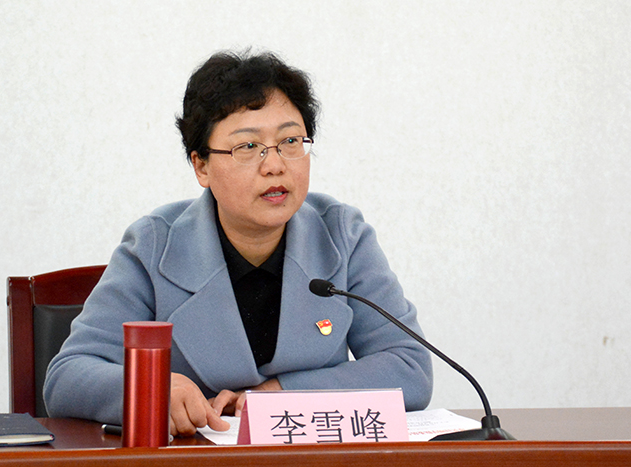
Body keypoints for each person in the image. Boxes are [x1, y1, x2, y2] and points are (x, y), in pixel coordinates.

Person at [44, 50, 433, 437]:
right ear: (201, 166)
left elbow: (409, 366)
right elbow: (68, 375)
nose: (275, 165)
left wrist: (283, 394)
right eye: (248, 147)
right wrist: (152, 390)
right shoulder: (153, 246)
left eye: (290, 141)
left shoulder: (341, 235)